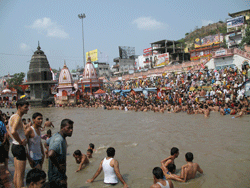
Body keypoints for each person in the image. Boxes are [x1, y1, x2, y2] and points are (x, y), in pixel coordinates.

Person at [47, 119, 74, 187]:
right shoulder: (59, 140)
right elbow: (50, 154)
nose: (71, 130)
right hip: (57, 176)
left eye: (72, 128)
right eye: (69, 128)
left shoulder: (56, 135)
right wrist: (59, 166)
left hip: (54, 174)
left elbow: (46, 143)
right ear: (62, 128)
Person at [9, 99, 29, 188]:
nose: (27, 109)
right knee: (21, 175)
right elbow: (13, 131)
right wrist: (20, 141)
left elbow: (9, 129)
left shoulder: (13, 116)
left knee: (17, 173)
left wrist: (15, 140)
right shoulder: (17, 117)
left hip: (14, 146)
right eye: (25, 107)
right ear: (19, 107)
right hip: (19, 147)